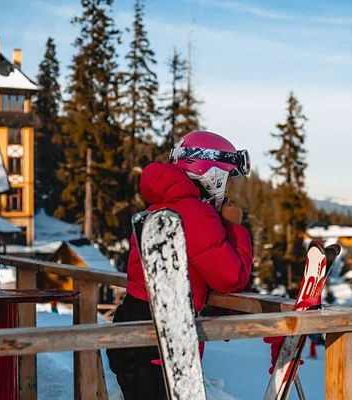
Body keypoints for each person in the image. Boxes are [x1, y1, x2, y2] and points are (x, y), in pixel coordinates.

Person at [106, 130, 254, 400]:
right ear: (213, 175)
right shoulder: (195, 214)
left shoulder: (161, 207)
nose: (227, 189)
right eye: (227, 178)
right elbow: (232, 277)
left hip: (138, 327)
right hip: (159, 336)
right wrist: (234, 227)